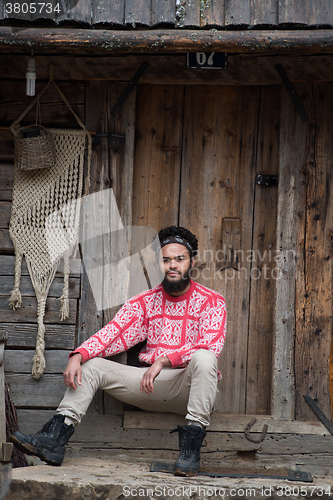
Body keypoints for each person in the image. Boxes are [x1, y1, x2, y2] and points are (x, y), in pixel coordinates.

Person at [10, 226, 227, 477]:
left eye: (180, 259)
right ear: (158, 263)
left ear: (192, 262)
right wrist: (79, 355)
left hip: (190, 389)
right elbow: (113, 333)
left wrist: (164, 360)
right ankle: (55, 439)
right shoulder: (145, 301)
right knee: (92, 366)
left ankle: (190, 454)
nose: (173, 266)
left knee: (205, 357)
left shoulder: (212, 300)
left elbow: (211, 344)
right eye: (166, 260)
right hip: (150, 387)